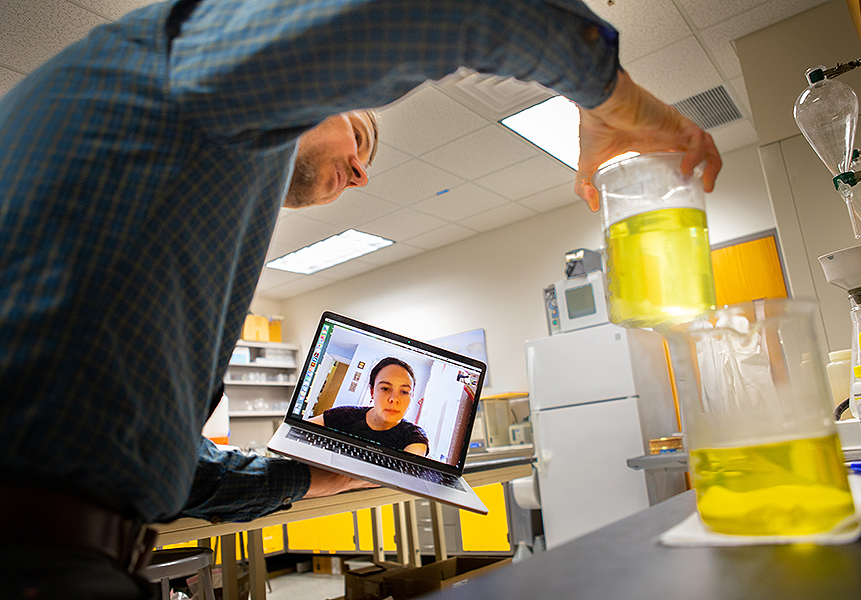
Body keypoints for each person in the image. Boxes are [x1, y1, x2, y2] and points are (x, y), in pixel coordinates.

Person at [0, 0, 721, 597]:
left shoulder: (152, 231)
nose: (362, 172)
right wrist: (612, 102)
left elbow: (169, 470)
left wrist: (309, 475)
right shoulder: (182, 67)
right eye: (359, 132)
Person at [309, 357, 430, 456]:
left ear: (411, 396)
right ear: (372, 392)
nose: (394, 398)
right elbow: (302, 431)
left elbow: (406, 471)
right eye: (385, 389)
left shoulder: (414, 436)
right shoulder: (343, 415)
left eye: (404, 392)